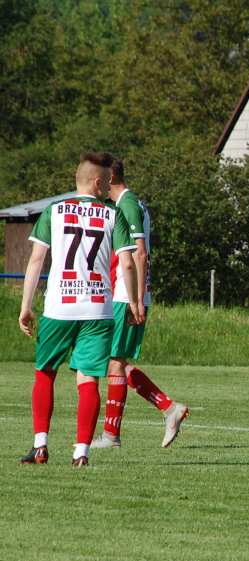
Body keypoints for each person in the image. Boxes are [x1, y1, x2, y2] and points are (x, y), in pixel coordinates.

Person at [18, 152, 143, 467]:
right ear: (98, 181)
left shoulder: (54, 211)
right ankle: (81, 452)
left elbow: (36, 260)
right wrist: (133, 300)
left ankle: (41, 446)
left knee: (45, 373)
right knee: (88, 379)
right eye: (106, 182)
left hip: (59, 306)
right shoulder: (113, 214)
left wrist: (26, 305)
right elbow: (127, 262)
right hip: (98, 309)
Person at [91, 159, 189, 450]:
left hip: (125, 293)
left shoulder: (128, 204)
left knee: (115, 362)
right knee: (116, 361)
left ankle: (112, 435)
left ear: (109, 179)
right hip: (123, 292)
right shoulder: (128, 203)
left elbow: (141, 254)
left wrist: (136, 300)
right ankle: (169, 408)